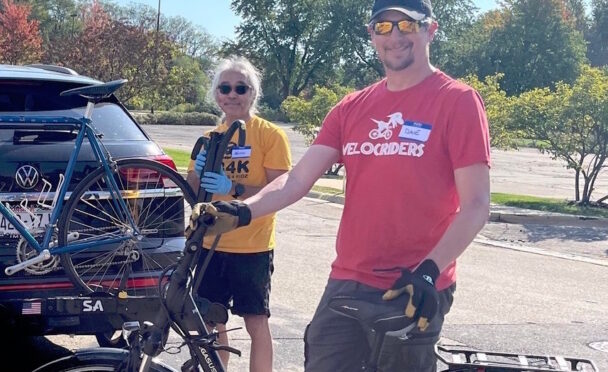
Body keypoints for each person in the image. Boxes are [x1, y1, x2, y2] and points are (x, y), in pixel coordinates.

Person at [195, 0, 491, 371]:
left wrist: (430, 270)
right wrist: (241, 211)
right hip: (348, 280)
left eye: (407, 24)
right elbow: (299, 178)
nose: (394, 35)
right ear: (371, 35)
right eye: (383, 26)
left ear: (430, 29)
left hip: (415, 283)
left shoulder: (457, 101)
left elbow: (477, 204)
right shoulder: (352, 107)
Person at [186, 56, 292, 372]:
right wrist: (198, 168)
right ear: (216, 93)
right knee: (209, 322)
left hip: (252, 247)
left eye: (240, 88)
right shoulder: (208, 138)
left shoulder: (269, 135)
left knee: (255, 322)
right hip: (209, 245)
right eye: (225, 87)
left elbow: (280, 189)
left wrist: (233, 188)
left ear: (252, 94)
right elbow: (192, 192)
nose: (232, 94)